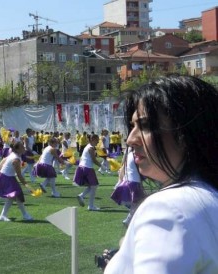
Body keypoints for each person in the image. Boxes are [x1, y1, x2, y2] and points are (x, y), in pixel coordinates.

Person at [104, 75, 218, 273]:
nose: (131, 139)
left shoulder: (166, 208)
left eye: (146, 126)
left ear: (185, 134)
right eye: (133, 127)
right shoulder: (209, 195)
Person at [0, 141, 33, 222]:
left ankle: (4, 215)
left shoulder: (15, 155)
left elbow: (4, 159)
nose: (24, 148)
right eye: (22, 147)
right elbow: (19, 175)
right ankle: (24, 215)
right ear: (17, 149)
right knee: (16, 195)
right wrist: (27, 186)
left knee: (14, 196)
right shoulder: (16, 159)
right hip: (7, 178)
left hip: (7, 177)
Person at [110, 147, 145, 226]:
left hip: (127, 181)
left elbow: (123, 169)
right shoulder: (135, 156)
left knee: (135, 203)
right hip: (134, 182)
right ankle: (128, 220)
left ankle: (131, 219)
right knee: (137, 203)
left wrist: (120, 181)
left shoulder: (128, 155)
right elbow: (142, 169)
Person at [73, 134, 102, 211]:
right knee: (94, 186)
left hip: (82, 167)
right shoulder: (91, 148)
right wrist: (102, 166)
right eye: (97, 140)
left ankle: (82, 196)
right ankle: (91, 206)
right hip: (87, 168)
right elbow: (94, 160)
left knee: (91, 186)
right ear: (92, 139)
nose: (98, 141)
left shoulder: (87, 146)